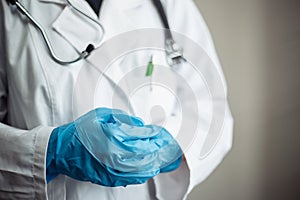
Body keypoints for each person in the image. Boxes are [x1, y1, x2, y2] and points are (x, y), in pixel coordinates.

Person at [0, 0, 233, 199]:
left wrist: (171, 146)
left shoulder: (169, 4)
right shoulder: (9, 9)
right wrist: (50, 152)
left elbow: (210, 105)